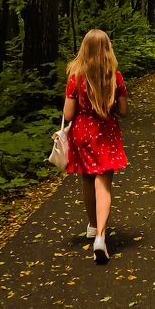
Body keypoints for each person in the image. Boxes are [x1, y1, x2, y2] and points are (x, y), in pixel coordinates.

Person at [63, 29, 128, 264]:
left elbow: (68, 115)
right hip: (106, 134)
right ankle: (100, 237)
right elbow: (123, 111)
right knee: (104, 183)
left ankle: (92, 225)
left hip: (82, 135)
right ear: (107, 49)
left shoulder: (76, 78)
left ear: (85, 49)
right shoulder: (115, 77)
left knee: (88, 179)